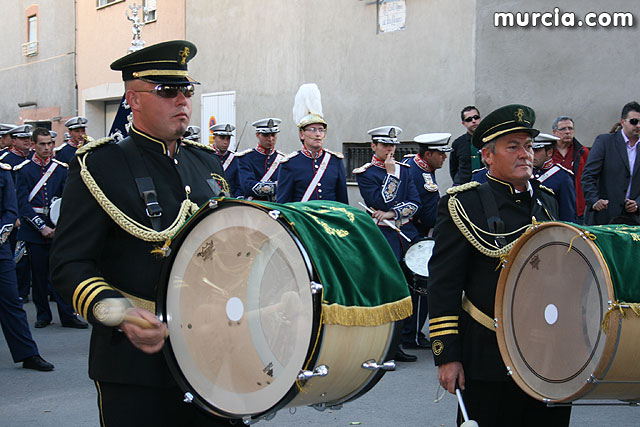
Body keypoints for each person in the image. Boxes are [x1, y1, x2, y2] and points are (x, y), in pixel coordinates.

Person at [50, 40, 236, 426]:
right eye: (167, 91)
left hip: (213, 357)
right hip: (134, 366)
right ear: (133, 99)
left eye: (187, 90)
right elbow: (70, 264)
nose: (182, 100)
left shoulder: (206, 163)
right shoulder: (100, 165)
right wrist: (120, 314)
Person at [428, 104, 570, 426]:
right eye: (513, 147)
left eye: (529, 146)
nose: (525, 154)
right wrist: (447, 355)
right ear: (488, 156)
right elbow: (444, 285)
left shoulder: (547, 201)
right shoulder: (463, 204)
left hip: (549, 356)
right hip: (490, 357)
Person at [354, 125, 420, 362]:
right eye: (384, 145)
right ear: (374, 146)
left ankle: (399, 342)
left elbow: (415, 203)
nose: (390, 149)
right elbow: (379, 200)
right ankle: (382, 345)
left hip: (405, 234)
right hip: (383, 237)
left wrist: (392, 214)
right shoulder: (365, 173)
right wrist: (391, 175)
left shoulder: (406, 170)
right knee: (387, 290)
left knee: (406, 290)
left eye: (392, 145)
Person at [14, 127, 87, 329]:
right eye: (42, 144)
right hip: (34, 229)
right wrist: (41, 227)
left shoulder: (61, 169)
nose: (47, 148)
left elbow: (68, 201)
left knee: (61, 273)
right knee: (38, 276)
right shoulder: (24, 170)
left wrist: (58, 225)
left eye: (50, 144)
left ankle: (68, 315)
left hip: (57, 229)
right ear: (33, 145)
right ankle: (43, 315)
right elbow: (22, 203)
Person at [0, 160, 54, 371]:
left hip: (0, 246)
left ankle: (28, 354)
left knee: (12, 301)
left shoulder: (3, 172)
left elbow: (10, 211)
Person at [400, 132, 451, 350]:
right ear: (428, 154)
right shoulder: (421, 174)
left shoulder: (414, 165)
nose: (444, 158)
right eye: (441, 154)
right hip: (414, 234)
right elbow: (427, 213)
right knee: (420, 288)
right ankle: (410, 335)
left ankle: (410, 333)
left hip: (412, 231)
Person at [277, 83, 348, 204]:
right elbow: (284, 203)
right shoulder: (290, 163)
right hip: (302, 219)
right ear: (302, 134)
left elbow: (342, 200)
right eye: (312, 129)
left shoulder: (335, 161)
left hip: (329, 218)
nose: (318, 134)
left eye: (321, 130)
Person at [582, 102, 640, 225]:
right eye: (634, 121)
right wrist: (594, 201)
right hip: (604, 215)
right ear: (623, 122)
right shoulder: (605, 142)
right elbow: (588, 175)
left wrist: (638, 204)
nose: (638, 125)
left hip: (634, 219)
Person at [551, 116, 589, 223]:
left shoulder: (582, 152)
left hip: (578, 208)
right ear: (554, 132)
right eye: (563, 129)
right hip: (553, 205)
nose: (567, 132)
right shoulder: (548, 153)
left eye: (570, 128)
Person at [236, 118, 284, 200]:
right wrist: (276, 186)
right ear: (257, 135)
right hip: (255, 205)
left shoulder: (282, 159)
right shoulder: (246, 158)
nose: (270, 139)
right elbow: (248, 187)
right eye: (266, 135)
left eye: (273, 135)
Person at [532, 133, 576, 222]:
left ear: (549, 152)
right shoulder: (526, 173)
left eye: (536, 150)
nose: (532, 154)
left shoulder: (563, 177)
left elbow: (567, 215)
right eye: (530, 149)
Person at [449, 106, 482, 185]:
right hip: (463, 185)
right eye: (469, 119)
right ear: (463, 123)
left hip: (486, 185)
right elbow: (453, 168)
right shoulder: (458, 143)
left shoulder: (489, 141)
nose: (473, 121)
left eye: (476, 117)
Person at [210, 123, 242, 197]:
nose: (225, 142)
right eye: (222, 138)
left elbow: (239, 185)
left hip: (231, 201)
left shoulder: (234, 158)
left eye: (228, 138)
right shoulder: (207, 156)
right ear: (214, 138)